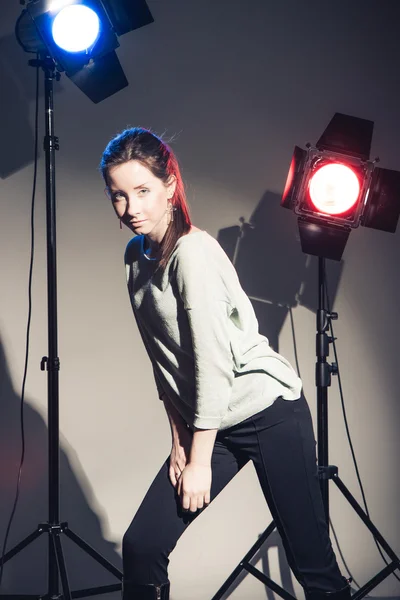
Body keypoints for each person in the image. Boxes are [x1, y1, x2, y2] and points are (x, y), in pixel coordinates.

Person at [100, 128, 351, 600]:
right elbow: (163, 362)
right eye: (118, 195)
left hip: (269, 412)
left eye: (142, 191)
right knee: (142, 546)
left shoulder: (192, 255)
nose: (131, 208)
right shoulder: (136, 256)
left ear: (170, 187)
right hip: (209, 419)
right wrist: (179, 441)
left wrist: (199, 459)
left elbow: (210, 364)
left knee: (312, 566)